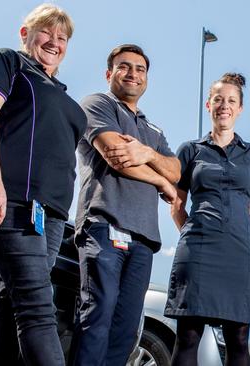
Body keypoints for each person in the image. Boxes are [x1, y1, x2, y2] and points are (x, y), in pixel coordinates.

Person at [0, 4, 86, 365]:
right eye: (46, 32)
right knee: (36, 304)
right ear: (25, 33)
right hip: (11, 200)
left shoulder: (60, 92)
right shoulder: (7, 63)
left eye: (62, 38)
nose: (54, 42)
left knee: (10, 300)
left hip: (50, 215)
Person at [71, 44, 181, 366]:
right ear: (109, 74)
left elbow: (176, 170)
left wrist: (146, 153)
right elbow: (116, 156)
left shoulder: (153, 131)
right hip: (105, 226)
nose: (133, 73)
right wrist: (160, 180)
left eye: (140, 69)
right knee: (98, 314)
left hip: (144, 239)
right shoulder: (98, 104)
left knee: (126, 328)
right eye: (124, 66)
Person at [164, 73, 250, 366]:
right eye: (218, 99)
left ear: (240, 109)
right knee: (187, 336)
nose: (224, 105)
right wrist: (193, 231)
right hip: (197, 249)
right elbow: (177, 204)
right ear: (208, 104)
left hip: (241, 253)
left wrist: (238, 237)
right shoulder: (189, 150)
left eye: (231, 101)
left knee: (238, 339)